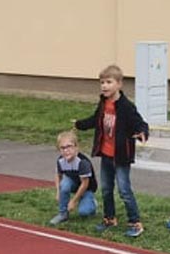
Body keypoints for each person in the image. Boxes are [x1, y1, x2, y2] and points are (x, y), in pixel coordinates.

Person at [74, 64, 149, 237]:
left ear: (119, 84)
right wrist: (79, 124)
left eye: (109, 82)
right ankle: (109, 218)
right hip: (106, 155)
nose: (104, 86)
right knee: (106, 189)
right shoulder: (103, 103)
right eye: (102, 82)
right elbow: (95, 120)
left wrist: (143, 133)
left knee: (124, 190)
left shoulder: (126, 106)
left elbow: (140, 123)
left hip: (121, 157)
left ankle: (135, 222)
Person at [49, 129, 97, 225]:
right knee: (64, 184)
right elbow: (58, 175)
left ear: (76, 147)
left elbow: (85, 184)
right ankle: (63, 213)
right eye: (62, 148)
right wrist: (58, 192)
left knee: (84, 212)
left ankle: (92, 203)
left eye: (69, 146)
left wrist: (74, 201)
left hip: (86, 188)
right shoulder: (61, 161)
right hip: (73, 183)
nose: (66, 150)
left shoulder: (82, 162)